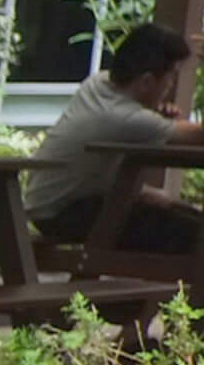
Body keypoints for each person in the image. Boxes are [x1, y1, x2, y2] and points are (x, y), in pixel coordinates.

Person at [27, 22, 204, 255]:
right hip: (67, 213)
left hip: (52, 204)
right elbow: (198, 136)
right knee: (195, 233)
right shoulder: (125, 118)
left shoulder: (97, 84)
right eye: (171, 78)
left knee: (185, 214)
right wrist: (152, 118)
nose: (170, 86)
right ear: (147, 82)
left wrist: (153, 112)